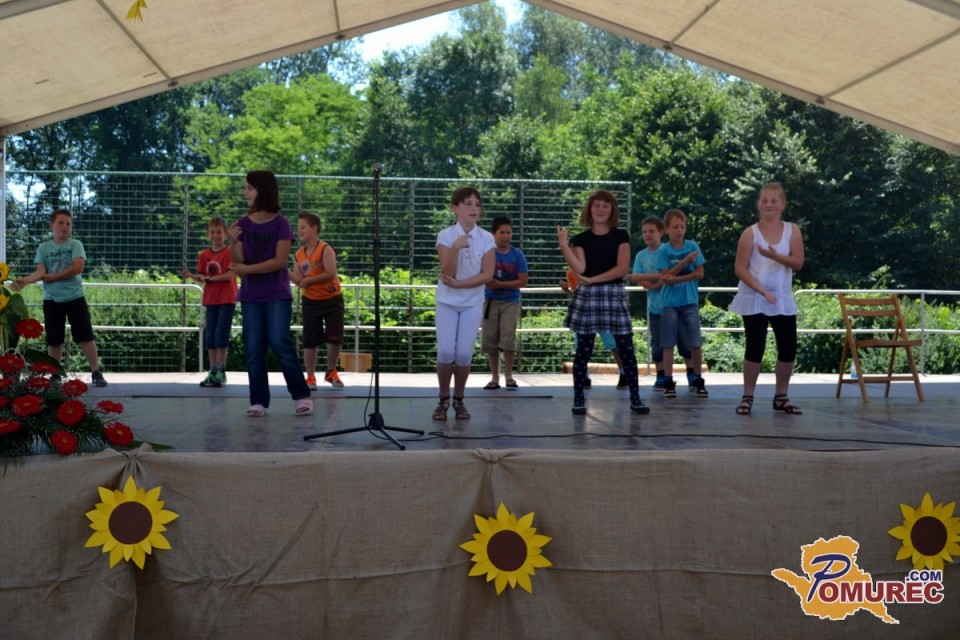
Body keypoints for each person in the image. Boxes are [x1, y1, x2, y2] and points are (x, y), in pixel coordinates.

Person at [228, 170, 313, 417]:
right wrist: (232, 242)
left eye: (249, 188)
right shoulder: (242, 224)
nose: (245, 193)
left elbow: (279, 261)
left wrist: (247, 270)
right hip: (251, 295)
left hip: (276, 293)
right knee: (254, 347)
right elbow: (238, 261)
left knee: (279, 341)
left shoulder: (281, 223)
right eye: (244, 188)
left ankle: (301, 395)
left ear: (262, 190)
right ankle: (258, 401)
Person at [557, 189, 649, 416]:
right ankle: (579, 399)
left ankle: (636, 399)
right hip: (587, 296)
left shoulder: (621, 236)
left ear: (612, 210)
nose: (600, 209)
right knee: (583, 350)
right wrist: (564, 245)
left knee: (626, 348)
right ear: (589, 209)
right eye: (596, 205)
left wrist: (592, 280)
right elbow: (579, 268)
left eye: (605, 205)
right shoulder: (580, 239)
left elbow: (622, 269)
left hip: (613, 293)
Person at [730, 182, 805, 415]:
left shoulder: (793, 230)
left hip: (781, 298)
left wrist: (775, 256)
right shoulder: (750, 233)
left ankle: (781, 396)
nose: (769, 204)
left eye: (774, 200)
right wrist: (761, 291)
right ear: (758, 205)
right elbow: (740, 268)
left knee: (788, 347)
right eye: (764, 200)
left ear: (782, 204)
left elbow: (798, 262)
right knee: (755, 346)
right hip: (755, 297)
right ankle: (747, 397)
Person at [12, 208, 107, 386]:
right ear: (52, 226)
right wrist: (25, 281)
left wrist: (55, 277)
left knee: (86, 336)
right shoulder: (43, 248)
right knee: (54, 339)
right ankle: (55, 374)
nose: (65, 226)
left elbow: (78, 267)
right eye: (61, 223)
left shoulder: (75, 244)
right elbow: (40, 272)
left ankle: (96, 372)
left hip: (75, 297)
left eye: (68, 224)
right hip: (52, 300)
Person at [433, 187, 496, 421]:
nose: (474, 209)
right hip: (447, 301)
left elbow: (488, 274)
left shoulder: (487, 238)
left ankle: (459, 400)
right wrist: (456, 248)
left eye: (477, 204)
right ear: (455, 209)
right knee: (445, 351)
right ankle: (443, 399)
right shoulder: (446, 235)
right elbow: (447, 272)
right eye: (468, 204)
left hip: (472, 302)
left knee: (463, 353)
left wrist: (461, 285)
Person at [627, 216, 697, 392]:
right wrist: (652, 285)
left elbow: (666, 274)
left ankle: (691, 374)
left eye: (651, 231)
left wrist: (651, 279)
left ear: (661, 232)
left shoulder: (667, 251)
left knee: (684, 341)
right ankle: (661, 375)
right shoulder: (641, 255)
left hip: (675, 303)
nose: (647, 235)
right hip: (655, 307)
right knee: (658, 343)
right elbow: (637, 278)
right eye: (644, 232)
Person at [655, 209, 708, 398]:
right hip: (669, 303)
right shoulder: (663, 250)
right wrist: (685, 262)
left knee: (695, 342)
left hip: (690, 301)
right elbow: (664, 277)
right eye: (675, 227)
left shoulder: (693, 245)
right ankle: (668, 381)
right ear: (667, 229)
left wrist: (677, 278)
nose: (679, 230)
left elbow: (699, 273)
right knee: (667, 343)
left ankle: (698, 379)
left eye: (682, 227)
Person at [290, 211, 345, 391]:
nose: (300, 231)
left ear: (314, 229)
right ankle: (310, 376)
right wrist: (284, 270)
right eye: (298, 228)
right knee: (310, 340)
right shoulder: (298, 255)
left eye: (303, 227)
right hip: (311, 301)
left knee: (335, 337)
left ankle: (331, 371)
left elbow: (331, 272)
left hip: (332, 299)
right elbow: (300, 281)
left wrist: (309, 281)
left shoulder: (325, 249)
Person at [182, 216, 237, 388]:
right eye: (212, 232)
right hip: (211, 299)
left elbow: (229, 275)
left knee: (221, 334)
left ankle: (221, 369)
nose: (216, 236)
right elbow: (202, 276)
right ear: (208, 234)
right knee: (210, 335)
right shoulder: (204, 255)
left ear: (225, 233)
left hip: (227, 299)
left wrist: (210, 279)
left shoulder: (230, 252)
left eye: (219, 232)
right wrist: (192, 276)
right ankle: (213, 370)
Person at [482, 216, 528, 390]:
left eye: (509, 232)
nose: (506, 236)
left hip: (511, 302)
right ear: (493, 234)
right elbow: (481, 274)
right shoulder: (487, 254)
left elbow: (523, 280)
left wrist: (499, 284)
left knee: (508, 337)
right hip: (490, 301)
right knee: (490, 338)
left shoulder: (517, 255)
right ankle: (495, 377)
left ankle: (509, 376)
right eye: (502, 232)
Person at [559, 269, 625, 389]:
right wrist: (566, 290)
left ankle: (623, 373)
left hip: (603, 311)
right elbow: (576, 296)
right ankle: (584, 376)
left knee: (613, 344)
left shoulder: (600, 267)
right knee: (582, 346)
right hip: (584, 313)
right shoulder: (571, 273)